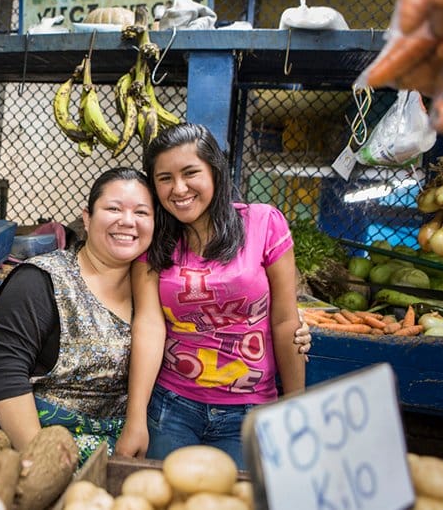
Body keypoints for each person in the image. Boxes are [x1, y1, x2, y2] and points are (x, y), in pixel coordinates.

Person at [115, 123, 307, 469]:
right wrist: (136, 418)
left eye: (191, 173)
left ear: (216, 172)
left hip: (250, 412)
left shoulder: (264, 223)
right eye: (165, 178)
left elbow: (284, 321)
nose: (179, 188)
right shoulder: (156, 239)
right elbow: (148, 325)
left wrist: (295, 411)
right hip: (171, 407)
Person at [0, 167, 156, 461]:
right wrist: (41, 462)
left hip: (107, 444)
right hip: (22, 439)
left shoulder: (151, 293)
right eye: (113, 208)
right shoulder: (41, 280)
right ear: (87, 218)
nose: (127, 221)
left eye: (141, 212)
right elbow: (5, 376)